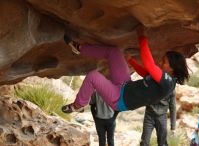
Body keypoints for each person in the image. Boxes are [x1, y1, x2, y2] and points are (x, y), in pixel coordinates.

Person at [61, 26, 189, 113]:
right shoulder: (162, 78)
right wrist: (131, 61)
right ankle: (80, 49)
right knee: (114, 52)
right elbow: (146, 73)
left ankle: (78, 105)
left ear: (172, 68)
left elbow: (150, 65)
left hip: (119, 100)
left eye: (164, 62)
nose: (161, 63)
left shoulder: (168, 83)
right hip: (125, 85)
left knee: (93, 76)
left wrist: (142, 37)